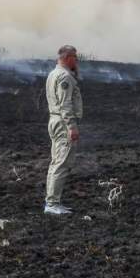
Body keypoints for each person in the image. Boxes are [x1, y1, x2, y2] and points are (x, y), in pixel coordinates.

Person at [44, 45, 83, 216]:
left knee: (56, 162)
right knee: (61, 163)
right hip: (62, 123)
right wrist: (71, 127)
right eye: (75, 57)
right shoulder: (64, 76)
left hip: (55, 120)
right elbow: (65, 104)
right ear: (68, 57)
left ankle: (53, 202)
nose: (77, 60)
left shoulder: (53, 73)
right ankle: (52, 204)